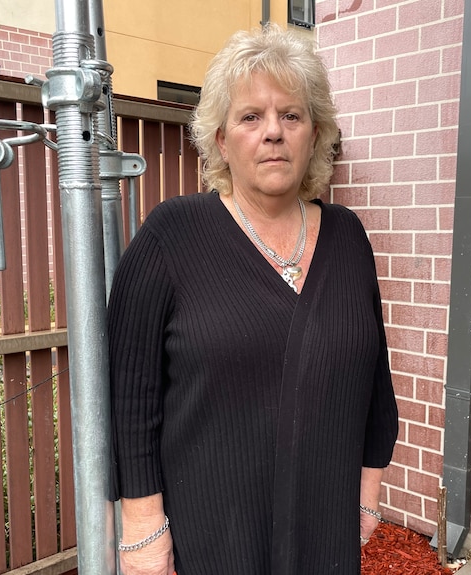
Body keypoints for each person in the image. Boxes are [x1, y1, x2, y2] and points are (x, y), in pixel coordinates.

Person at [108, 23, 399, 575]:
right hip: (213, 534)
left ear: (315, 134)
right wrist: (143, 529)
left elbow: (373, 378)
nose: (274, 133)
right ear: (221, 138)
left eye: (291, 115)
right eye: (251, 117)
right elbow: (130, 398)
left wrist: (367, 491)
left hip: (324, 529)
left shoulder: (347, 236)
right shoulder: (172, 235)